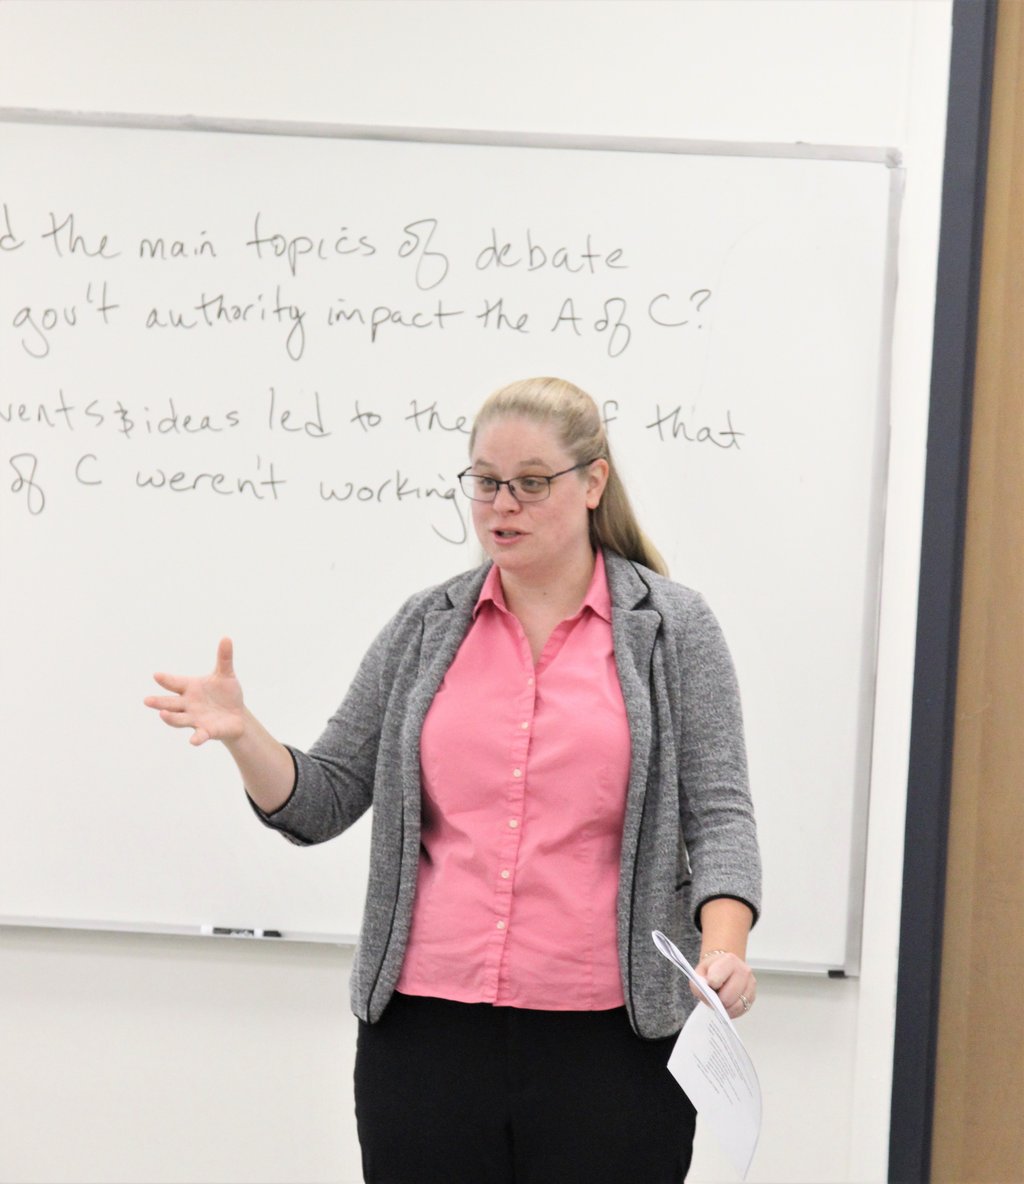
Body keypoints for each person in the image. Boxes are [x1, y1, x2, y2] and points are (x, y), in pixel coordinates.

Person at [144, 376, 761, 1184]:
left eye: (532, 482)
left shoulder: (673, 628)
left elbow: (719, 817)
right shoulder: (426, 625)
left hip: (615, 1040)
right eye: (485, 481)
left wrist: (724, 951)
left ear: (592, 483)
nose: (503, 504)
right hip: (428, 1038)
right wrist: (244, 736)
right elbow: (325, 796)